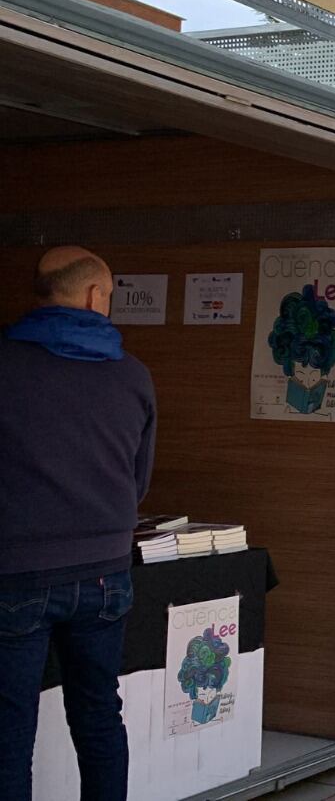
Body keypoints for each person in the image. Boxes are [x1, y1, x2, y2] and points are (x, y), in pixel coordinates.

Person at [0, 247, 157, 800]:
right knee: (97, 715)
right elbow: (139, 482)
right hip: (105, 576)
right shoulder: (134, 377)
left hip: (16, 573)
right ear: (94, 296)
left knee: (9, 729)